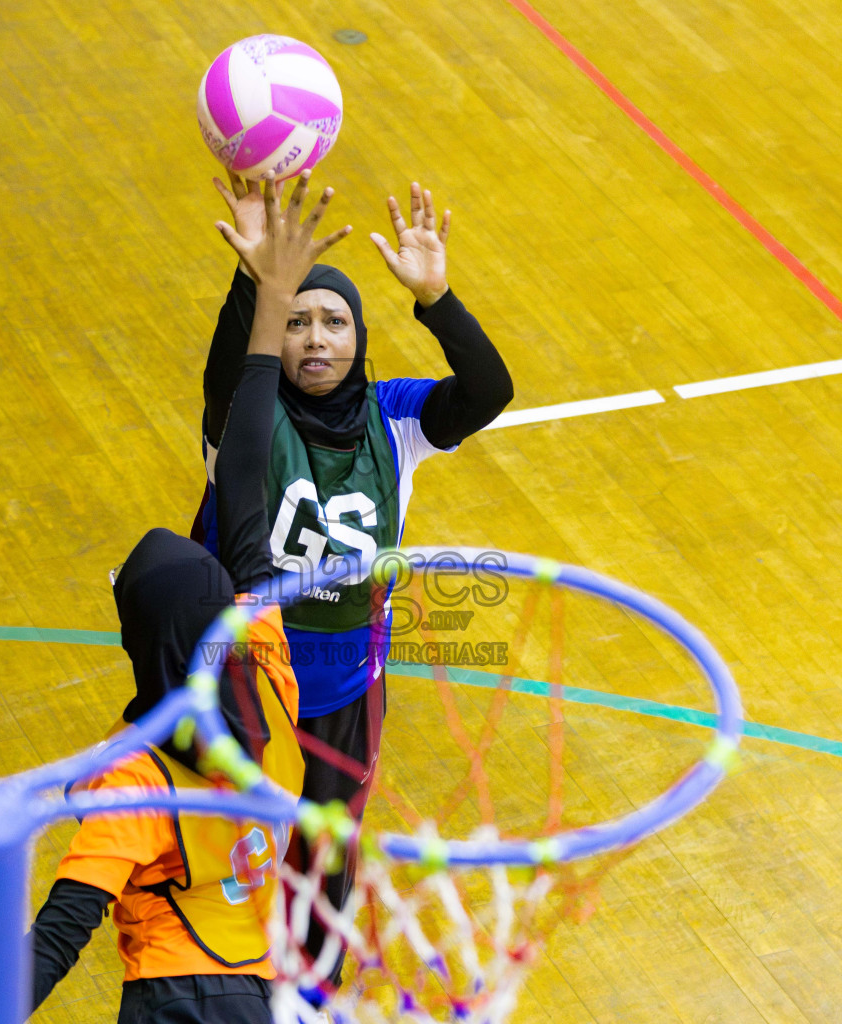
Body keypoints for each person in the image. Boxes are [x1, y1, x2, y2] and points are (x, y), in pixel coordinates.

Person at [26, 173, 351, 1024]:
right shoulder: (274, 684)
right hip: (263, 993)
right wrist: (269, 298)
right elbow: (242, 487)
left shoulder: (133, 771)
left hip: (172, 1002)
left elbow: (62, 931)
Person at [192, 175, 514, 984]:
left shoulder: (395, 417)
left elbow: (489, 392)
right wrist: (258, 280)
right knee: (230, 858)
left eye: (334, 322)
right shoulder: (246, 423)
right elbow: (232, 375)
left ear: (359, 337)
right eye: (295, 323)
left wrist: (437, 298)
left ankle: (314, 993)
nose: (315, 339)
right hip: (249, 685)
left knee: (327, 862)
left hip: (345, 690)